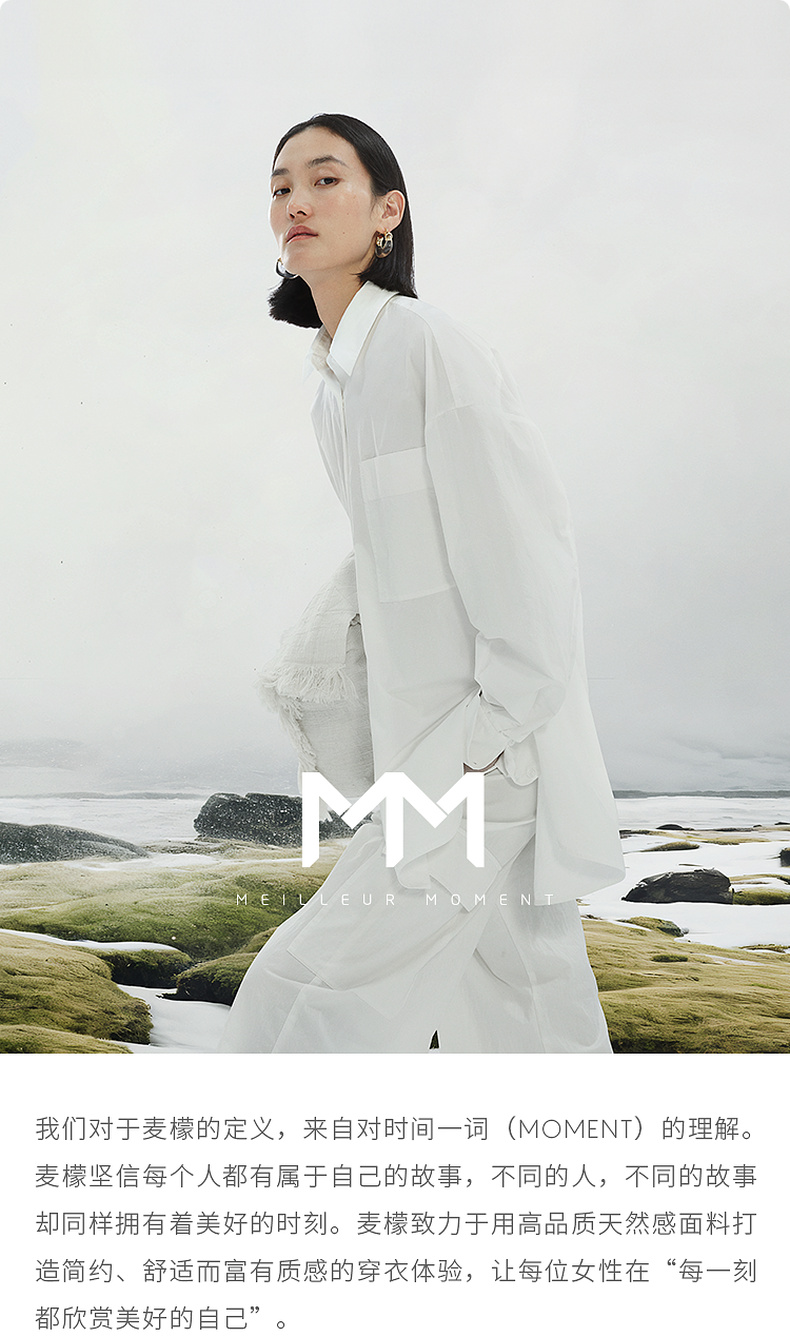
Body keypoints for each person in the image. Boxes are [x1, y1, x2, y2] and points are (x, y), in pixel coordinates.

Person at [217, 113, 624, 1054]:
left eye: (325, 179)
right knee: (527, 1016)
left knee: (301, 995)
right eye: (281, 187)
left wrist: (480, 743)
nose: (296, 201)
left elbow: (528, 547)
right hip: (440, 751)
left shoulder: (428, 346)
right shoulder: (336, 386)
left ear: (387, 212)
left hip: (478, 755)